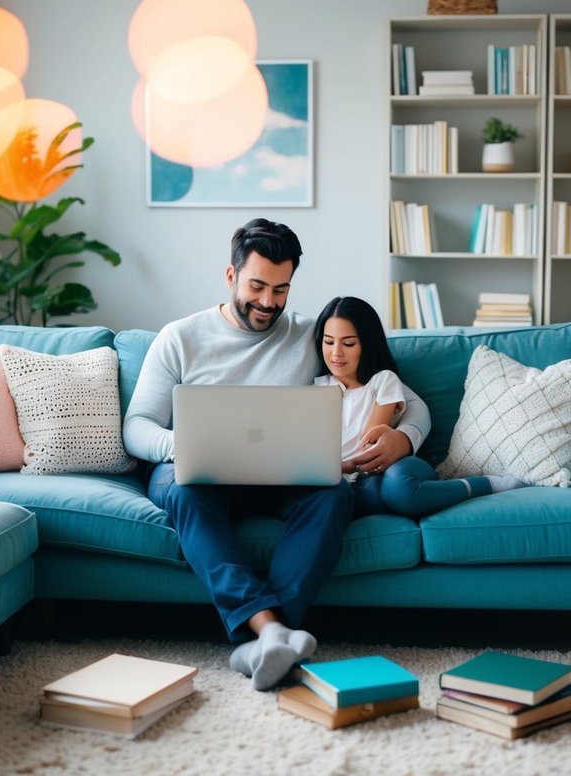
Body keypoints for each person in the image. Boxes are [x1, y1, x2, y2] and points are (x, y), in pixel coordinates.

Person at [122, 220, 432, 691]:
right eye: (257, 287)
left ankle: (267, 638)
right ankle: (271, 630)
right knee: (182, 490)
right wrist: (181, 445)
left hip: (286, 478)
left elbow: (414, 403)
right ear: (230, 277)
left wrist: (404, 437)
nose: (268, 302)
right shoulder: (180, 337)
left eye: (281, 289)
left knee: (332, 494)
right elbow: (136, 426)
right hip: (203, 477)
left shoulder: (315, 337)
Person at [313, 296, 524, 518]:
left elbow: (369, 449)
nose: (336, 352)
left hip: (376, 472)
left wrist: (336, 467)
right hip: (342, 480)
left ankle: (485, 485)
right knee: (360, 497)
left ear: (366, 344)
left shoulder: (383, 381)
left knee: (387, 491)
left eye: (348, 343)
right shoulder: (318, 388)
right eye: (328, 342)